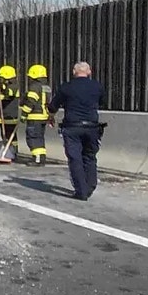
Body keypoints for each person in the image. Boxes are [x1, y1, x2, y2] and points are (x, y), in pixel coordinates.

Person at [48, 61, 106, 200]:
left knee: (75, 158)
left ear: (74, 72)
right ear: (89, 72)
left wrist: (51, 117)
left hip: (72, 127)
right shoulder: (97, 86)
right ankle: (90, 185)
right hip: (92, 126)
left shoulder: (66, 87)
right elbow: (102, 101)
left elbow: (53, 106)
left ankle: (81, 191)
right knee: (90, 156)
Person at [20, 63, 53, 166]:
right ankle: (41, 158)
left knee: (33, 138)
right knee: (40, 138)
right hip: (44, 116)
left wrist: (24, 114)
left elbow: (31, 101)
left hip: (34, 116)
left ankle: (37, 159)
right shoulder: (46, 87)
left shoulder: (34, 87)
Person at [0, 64, 20, 160]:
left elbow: (10, 94)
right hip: (3, 114)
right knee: (4, 134)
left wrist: (3, 88)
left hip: (10, 115)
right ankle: (7, 148)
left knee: (11, 134)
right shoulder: (4, 85)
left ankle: (13, 150)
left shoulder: (13, 86)